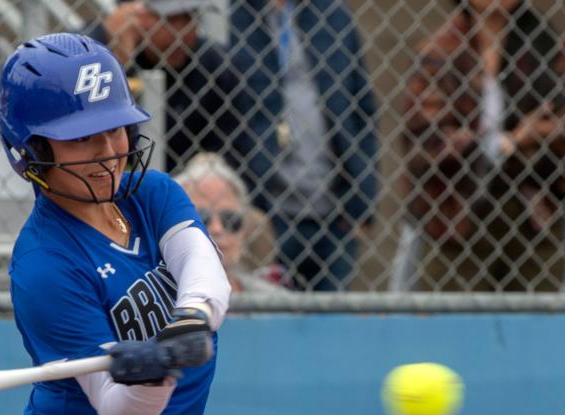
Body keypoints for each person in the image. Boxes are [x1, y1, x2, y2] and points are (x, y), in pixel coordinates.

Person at [0, 33, 257, 415]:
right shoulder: (44, 267)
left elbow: (206, 274)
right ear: (31, 151)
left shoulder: (149, 194)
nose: (110, 149)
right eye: (83, 136)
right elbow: (121, 414)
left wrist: (185, 323)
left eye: (115, 128)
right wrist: (158, 369)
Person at [400, 0, 565, 291]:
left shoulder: (543, 44)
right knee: (453, 319)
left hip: (530, 208)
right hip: (457, 212)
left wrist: (545, 133)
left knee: (537, 322)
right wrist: (510, 141)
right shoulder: (441, 51)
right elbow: (425, 140)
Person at [229, 0, 379, 291]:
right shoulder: (236, 17)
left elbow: (363, 110)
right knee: (268, 319)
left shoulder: (331, 14)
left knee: (332, 325)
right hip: (267, 210)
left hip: (333, 213)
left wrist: (362, 201)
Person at [87, 0, 251, 174]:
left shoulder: (215, 64)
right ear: (131, 14)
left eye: (189, 17)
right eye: (168, 20)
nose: (181, 33)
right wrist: (120, 62)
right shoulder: (89, 52)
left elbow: (236, 153)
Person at [174, 152, 291, 292]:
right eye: (201, 218)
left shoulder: (274, 301)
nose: (217, 229)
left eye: (230, 219)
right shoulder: (151, 303)